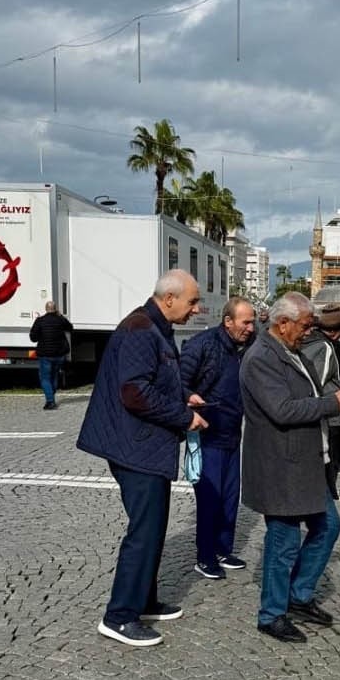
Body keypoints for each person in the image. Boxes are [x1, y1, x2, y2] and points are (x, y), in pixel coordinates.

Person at [77, 270, 207, 648]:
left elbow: (158, 381)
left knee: (153, 529)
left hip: (145, 446)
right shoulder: (139, 329)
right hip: (134, 448)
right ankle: (119, 616)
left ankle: (144, 600)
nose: (196, 309)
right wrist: (184, 416)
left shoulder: (155, 327)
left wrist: (184, 396)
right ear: (169, 299)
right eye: (192, 302)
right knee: (143, 532)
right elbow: (134, 393)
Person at [239, 292, 340, 643]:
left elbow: (303, 397)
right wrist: (331, 404)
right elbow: (283, 409)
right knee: (284, 540)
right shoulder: (262, 356)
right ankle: (271, 614)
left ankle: (299, 594)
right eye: (306, 325)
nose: (311, 331)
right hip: (281, 464)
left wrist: (332, 400)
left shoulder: (289, 349)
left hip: (307, 462)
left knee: (328, 526)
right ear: (283, 323)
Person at [179, 296, 256, 581]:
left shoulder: (248, 346)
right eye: (245, 322)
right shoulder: (202, 345)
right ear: (228, 321)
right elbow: (178, 380)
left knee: (230, 498)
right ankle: (205, 556)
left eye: (253, 321)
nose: (250, 327)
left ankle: (224, 549)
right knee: (209, 499)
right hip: (207, 436)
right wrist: (188, 396)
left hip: (233, 434)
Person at [302, 304, 340, 481]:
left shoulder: (305, 342)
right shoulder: (326, 347)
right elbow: (315, 386)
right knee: (326, 479)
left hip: (311, 416)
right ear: (336, 331)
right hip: (327, 416)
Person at [29, 300, 73, 410]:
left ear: (46, 309)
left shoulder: (40, 321)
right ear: (55, 309)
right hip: (59, 354)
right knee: (54, 376)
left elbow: (33, 338)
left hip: (45, 354)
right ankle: (51, 397)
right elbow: (70, 328)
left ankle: (50, 401)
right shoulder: (60, 320)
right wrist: (61, 315)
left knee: (45, 378)